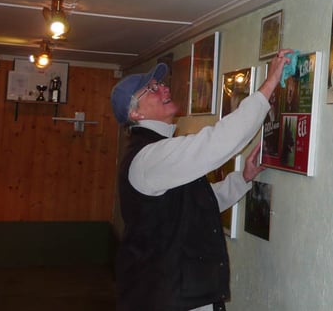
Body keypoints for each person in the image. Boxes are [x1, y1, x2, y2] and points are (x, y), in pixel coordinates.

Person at [110, 48, 293, 311]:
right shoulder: (149, 158)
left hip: (177, 295)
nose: (163, 88)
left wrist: (242, 178)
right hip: (167, 300)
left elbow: (195, 204)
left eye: (160, 83)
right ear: (135, 114)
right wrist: (269, 84)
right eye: (151, 88)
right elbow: (217, 142)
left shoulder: (158, 152)